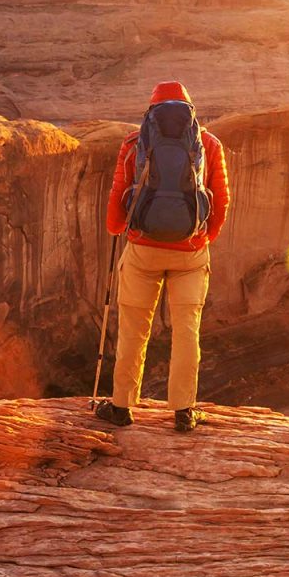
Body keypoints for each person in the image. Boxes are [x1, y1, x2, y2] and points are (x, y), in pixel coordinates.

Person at [94, 81, 230, 432]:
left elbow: (117, 196)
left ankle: (122, 407)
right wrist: (203, 238)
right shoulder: (209, 144)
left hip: (142, 250)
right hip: (191, 252)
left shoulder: (133, 144)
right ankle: (184, 411)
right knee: (187, 331)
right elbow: (221, 199)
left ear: (151, 111)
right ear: (190, 111)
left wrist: (118, 228)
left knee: (134, 330)